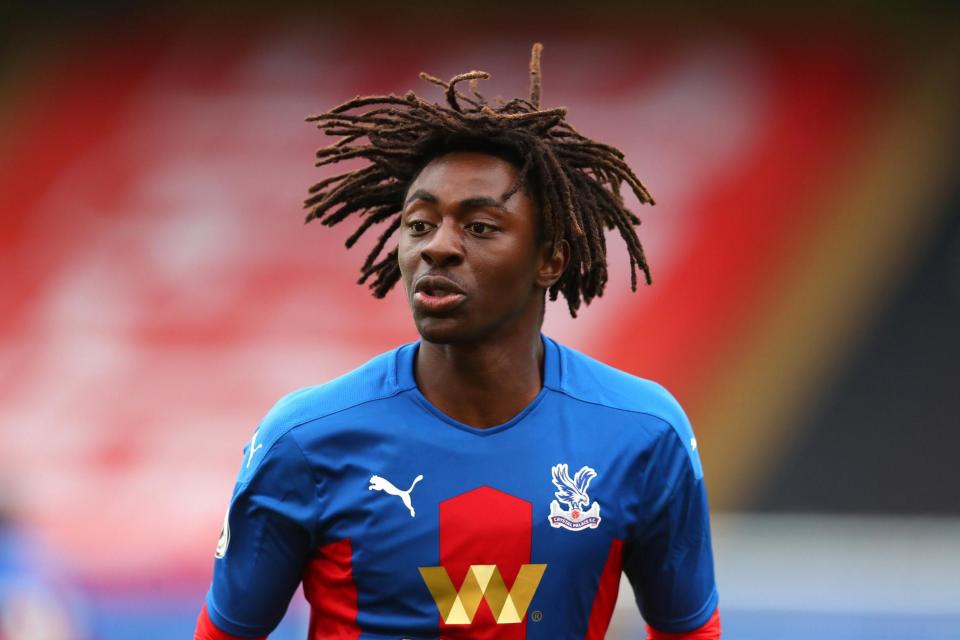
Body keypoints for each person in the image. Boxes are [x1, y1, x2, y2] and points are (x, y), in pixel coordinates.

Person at [195, 43, 720, 640]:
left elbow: (689, 631)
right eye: (419, 224)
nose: (436, 247)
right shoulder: (307, 440)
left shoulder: (643, 433)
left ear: (550, 259)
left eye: (479, 226)